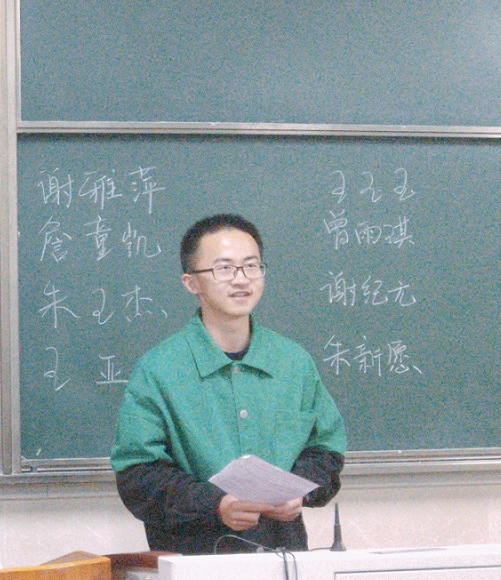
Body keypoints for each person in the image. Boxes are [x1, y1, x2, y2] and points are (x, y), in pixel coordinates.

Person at [110, 213, 345, 554]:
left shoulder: (293, 363)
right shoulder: (159, 369)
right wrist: (216, 504)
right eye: (224, 268)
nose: (241, 280)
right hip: (193, 564)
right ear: (191, 283)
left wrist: (300, 491)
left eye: (251, 266)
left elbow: (326, 451)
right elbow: (138, 477)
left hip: (284, 560)